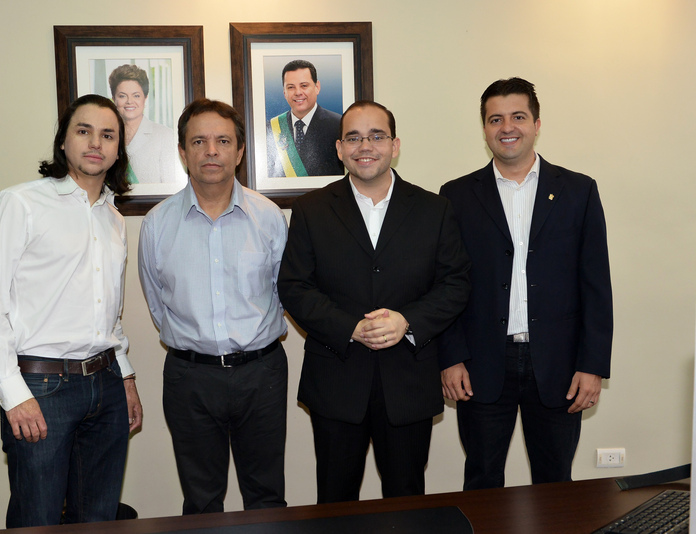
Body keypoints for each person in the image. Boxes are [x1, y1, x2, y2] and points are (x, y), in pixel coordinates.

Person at [277, 101, 471, 503]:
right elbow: (294, 286)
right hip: (336, 379)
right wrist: (350, 327)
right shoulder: (311, 209)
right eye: (353, 138)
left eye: (376, 136)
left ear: (395, 145)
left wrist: (407, 321)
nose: (365, 146)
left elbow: (455, 283)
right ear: (339, 149)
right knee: (335, 501)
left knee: (406, 501)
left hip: (408, 382)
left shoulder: (434, 209)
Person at [0, 94, 143, 527]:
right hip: (41, 388)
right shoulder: (19, 204)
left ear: (118, 150)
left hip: (106, 384)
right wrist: (13, 396)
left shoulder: (113, 218)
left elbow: (110, 315)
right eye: (84, 131)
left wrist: (125, 377)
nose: (95, 143)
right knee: (38, 520)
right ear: (63, 141)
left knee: (98, 519)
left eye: (108, 135)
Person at [438, 77, 613, 490]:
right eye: (495, 119)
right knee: (481, 481)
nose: (507, 127)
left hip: (558, 365)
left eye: (517, 116)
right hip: (481, 364)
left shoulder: (578, 191)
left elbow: (596, 285)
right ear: (484, 129)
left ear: (536, 124)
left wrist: (592, 366)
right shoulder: (455, 196)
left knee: (556, 484)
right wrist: (450, 357)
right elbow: (445, 284)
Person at [138, 99, 289, 514]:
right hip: (190, 377)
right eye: (198, 141)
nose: (211, 151)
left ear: (239, 151)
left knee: (266, 497)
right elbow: (158, 302)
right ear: (182, 152)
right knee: (201, 501)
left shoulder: (269, 217)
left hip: (261, 374)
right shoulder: (157, 223)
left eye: (223, 141)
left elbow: (284, 292)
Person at [108, 64, 186, 185]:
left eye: (136, 96)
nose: (129, 101)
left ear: (145, 98)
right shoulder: (107, 136)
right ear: (114, 99)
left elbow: (170, 186)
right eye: (122, 96)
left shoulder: (165, 136)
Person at [266, 59, 344, 177]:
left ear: (317, 87)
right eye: (291, 87)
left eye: (304, 86)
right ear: (284, 92)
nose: (298, 92)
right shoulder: (270, 128)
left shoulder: (339, 125)